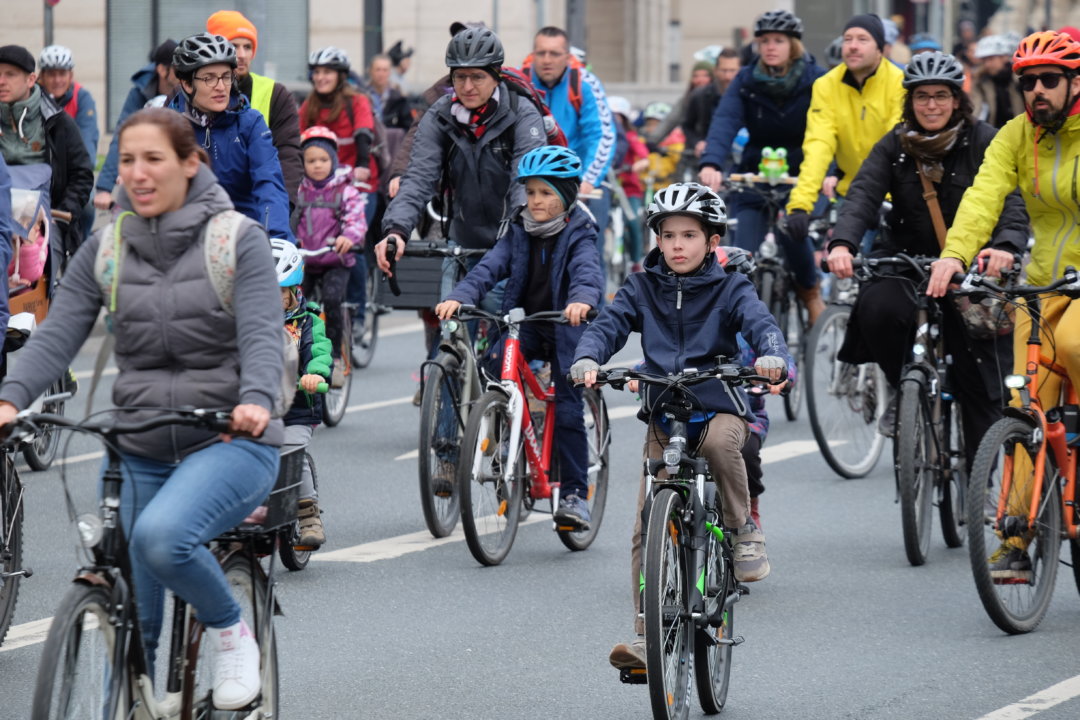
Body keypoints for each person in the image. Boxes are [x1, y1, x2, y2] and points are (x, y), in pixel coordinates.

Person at [0, 107, 284, 710]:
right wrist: (9, 397)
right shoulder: (109, 247)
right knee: (136, 623)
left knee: (160, 537)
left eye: (154, 159)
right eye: (127, 161)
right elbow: (58, 335)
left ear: (190, 162)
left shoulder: (236, 240)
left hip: (230, 441)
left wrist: (256, 400)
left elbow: (262, 335)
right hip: (142, 441)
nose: (138, 174)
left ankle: (232, 632)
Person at [569, 182, 788, 670]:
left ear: (712, 242)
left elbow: (760, 323)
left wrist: (773, 356)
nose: (677, 245)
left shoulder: (732, 286)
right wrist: (587, 356)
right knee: (647, 520)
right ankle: (648, 637)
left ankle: (741, 527)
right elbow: (608, 325)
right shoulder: (642, 284)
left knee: (718, 445)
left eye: (689, 235)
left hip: (717, 405)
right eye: (667, 235)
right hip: (666, 413)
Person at [927, 31, 1080, 581]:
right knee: (1024, 409)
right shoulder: (1017, 136)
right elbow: (983, 197)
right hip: (1039, 288)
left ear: (1075, 83)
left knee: (1075, 344)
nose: (1037, 91)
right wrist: (953, 257)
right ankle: (1015, 539)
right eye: (1028, 83)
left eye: (1050, 80)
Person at [826, 51, 1026, 455]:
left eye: (940, 95)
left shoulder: (985, 140)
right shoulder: (896, 144)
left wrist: (1003, 247)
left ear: (957, 100)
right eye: (921, 97)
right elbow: (863, 192)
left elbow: (1011, 201)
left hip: (971, 264)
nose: (931, 105)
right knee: (876, 308)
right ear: (910, 102)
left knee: (977, 373)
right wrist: (842, 243)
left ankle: (979, 480)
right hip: (907, 258)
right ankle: (906, 385)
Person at [435, 146, 603, 527]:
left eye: (545, 193)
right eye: (530, 192)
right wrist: (459, 297)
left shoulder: (579, 233)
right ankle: (508, 426)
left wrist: (581, 301)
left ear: (567, 195)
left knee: (571, 409)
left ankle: (575, 494)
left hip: (567, 326)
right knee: (494, 361)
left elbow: (587, 273)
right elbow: (489, 267)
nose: (536, 201)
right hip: (526, 322)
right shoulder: (518, 229)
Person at [376, 26, 545, 273]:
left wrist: (517, 233)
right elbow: (419, 178)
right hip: (464, 241)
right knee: (450, 312)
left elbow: (525, 181)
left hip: (513, 239)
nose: (467, 87)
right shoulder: (440, 115)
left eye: (477, 77)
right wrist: (396, 230)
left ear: (496, 76)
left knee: (498, 308)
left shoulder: (522, 113)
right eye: (459, 77)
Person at [698, 9, 828, 323]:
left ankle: (810, 292)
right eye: (764, 41)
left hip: (803, 170)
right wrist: (713, 162)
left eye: (778, 40)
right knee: (742, 253)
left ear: (793, 44)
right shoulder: (745, 79)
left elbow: (829, 128)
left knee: (792, 232)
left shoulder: (818, 79)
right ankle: (740, 322)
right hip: (755, 171)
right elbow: (725, 120)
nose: (770, 47)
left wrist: (830, 173)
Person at [783, 14, 905, 274]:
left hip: (894, 196)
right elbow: (818, 146)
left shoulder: (899, 83)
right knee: (843, 276)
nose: (852, 45)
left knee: (883, 282)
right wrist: (800, 205)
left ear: (880, 49)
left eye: (863, 39)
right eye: (848, 39)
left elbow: (897, 147)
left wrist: (883, 198)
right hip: (852, 197)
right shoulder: (826, 85)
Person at [168, 33, 293, 242]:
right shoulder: (169, 125)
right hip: (187, 239)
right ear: (187, 84)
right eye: (209, 78)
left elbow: (269, 182)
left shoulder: (251, 122)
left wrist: (277, 239)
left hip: (243, 236)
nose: (220, 86)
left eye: (226, 76)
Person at [0, 44, 93, 254]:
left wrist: (60, 215)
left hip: (47, 222)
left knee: (32, 259)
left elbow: (82, 174)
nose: (1, 82)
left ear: (31, 79)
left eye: (10, 75)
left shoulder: (58, 122)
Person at [293, 125, 367, 385]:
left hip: (335, 259)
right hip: (306, 260)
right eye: (310, 160)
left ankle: (335, 357)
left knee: (333, 300)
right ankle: (296, 351)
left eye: (323, 160)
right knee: (294, 304)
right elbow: (289, 218)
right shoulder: (299, 190)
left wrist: (349, 237)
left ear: (333, 160)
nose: (317, 165)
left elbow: (356, 219)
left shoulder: (344, 190)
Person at [207, 10, 303, 208]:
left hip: (261, 203)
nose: (242, 55)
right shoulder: (187, 91)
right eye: (233, 46)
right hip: (205, 202)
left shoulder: (275, 93)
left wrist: (283, 205)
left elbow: (289, 154)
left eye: (248, 47)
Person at [528, 26, 616, 239]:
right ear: (533, 55)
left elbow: (601, 135)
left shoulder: (585, 82)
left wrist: (588, 180)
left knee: (589, 243)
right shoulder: (519, 82)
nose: (547, 60)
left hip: (579, 180)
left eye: (555, 53)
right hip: (531, 181)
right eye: (541, 53)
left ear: (567, 57)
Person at [274, 238, 332, 547]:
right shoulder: (244, 321)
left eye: (279, 294)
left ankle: (308, 513)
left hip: (296, 406)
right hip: (256, 402)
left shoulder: (308, 320)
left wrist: (314, 373)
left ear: (294, 290)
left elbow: (321, 351)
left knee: (291, 450)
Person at [94, 39, 179, 211]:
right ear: (162, 70)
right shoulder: (140, 93)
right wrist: (104, 188)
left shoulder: (188, 90)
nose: (184, 74)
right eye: (178, 69)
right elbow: (122, 135)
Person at [37, 45, 99, 242]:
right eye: (51, 74)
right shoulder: (32, 99)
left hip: (71, 170)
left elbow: (87, 140)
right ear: (41, 76)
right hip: (42, 173)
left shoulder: (83, 98)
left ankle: (83, 247)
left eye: (62, 74)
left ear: (71, 75)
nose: (57, 80)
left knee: (87, 206)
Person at [300, 48, 379, 196]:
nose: (320, 77)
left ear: (340, 76)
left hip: (357, 183)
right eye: (316, 72)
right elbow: (297, 137)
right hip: (322, 184)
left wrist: (362, 166)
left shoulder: (357, 101)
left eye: (327, 72)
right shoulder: (309, 104)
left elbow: (364, 133)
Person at [608, 96, 649, 268]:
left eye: (618, 116)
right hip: (609, 187)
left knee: (633, 222)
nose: (614, 119)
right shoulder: (604, 136)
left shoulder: (631, 136)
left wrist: (637, 166)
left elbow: (644, 156)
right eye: (612, 115)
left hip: (628, 189)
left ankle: (636, 261)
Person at [683, 48, 741, 160]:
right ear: (715, 71)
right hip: (709, 155)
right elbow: (687, 125)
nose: (727, 76)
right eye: (724, 70)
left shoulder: (749, 96)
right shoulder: (700, 95)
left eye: (732, 71)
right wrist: (697, 143)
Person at [971, 35, 1024, 128]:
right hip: (993, 134)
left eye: (991, 59)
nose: (987, 64)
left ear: (1004, 57)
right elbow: (976, 109)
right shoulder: (980, 82)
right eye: (984, 60)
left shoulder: (1020, 79)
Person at [642, 102, 685, 188]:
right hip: (648, 187)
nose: (652, 128)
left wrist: (667, 152)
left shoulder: (676, 144)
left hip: (669, 188)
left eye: (657, 125)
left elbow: (681, 163)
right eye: (649, 125)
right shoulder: (643, 143)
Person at [367, 53, 413, 130]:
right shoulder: (362, 95)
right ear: (371, 71)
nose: (381, 74)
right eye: (378, 69)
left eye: (385, 70)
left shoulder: (399, 99)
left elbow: (408, 127)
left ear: (389, 72)